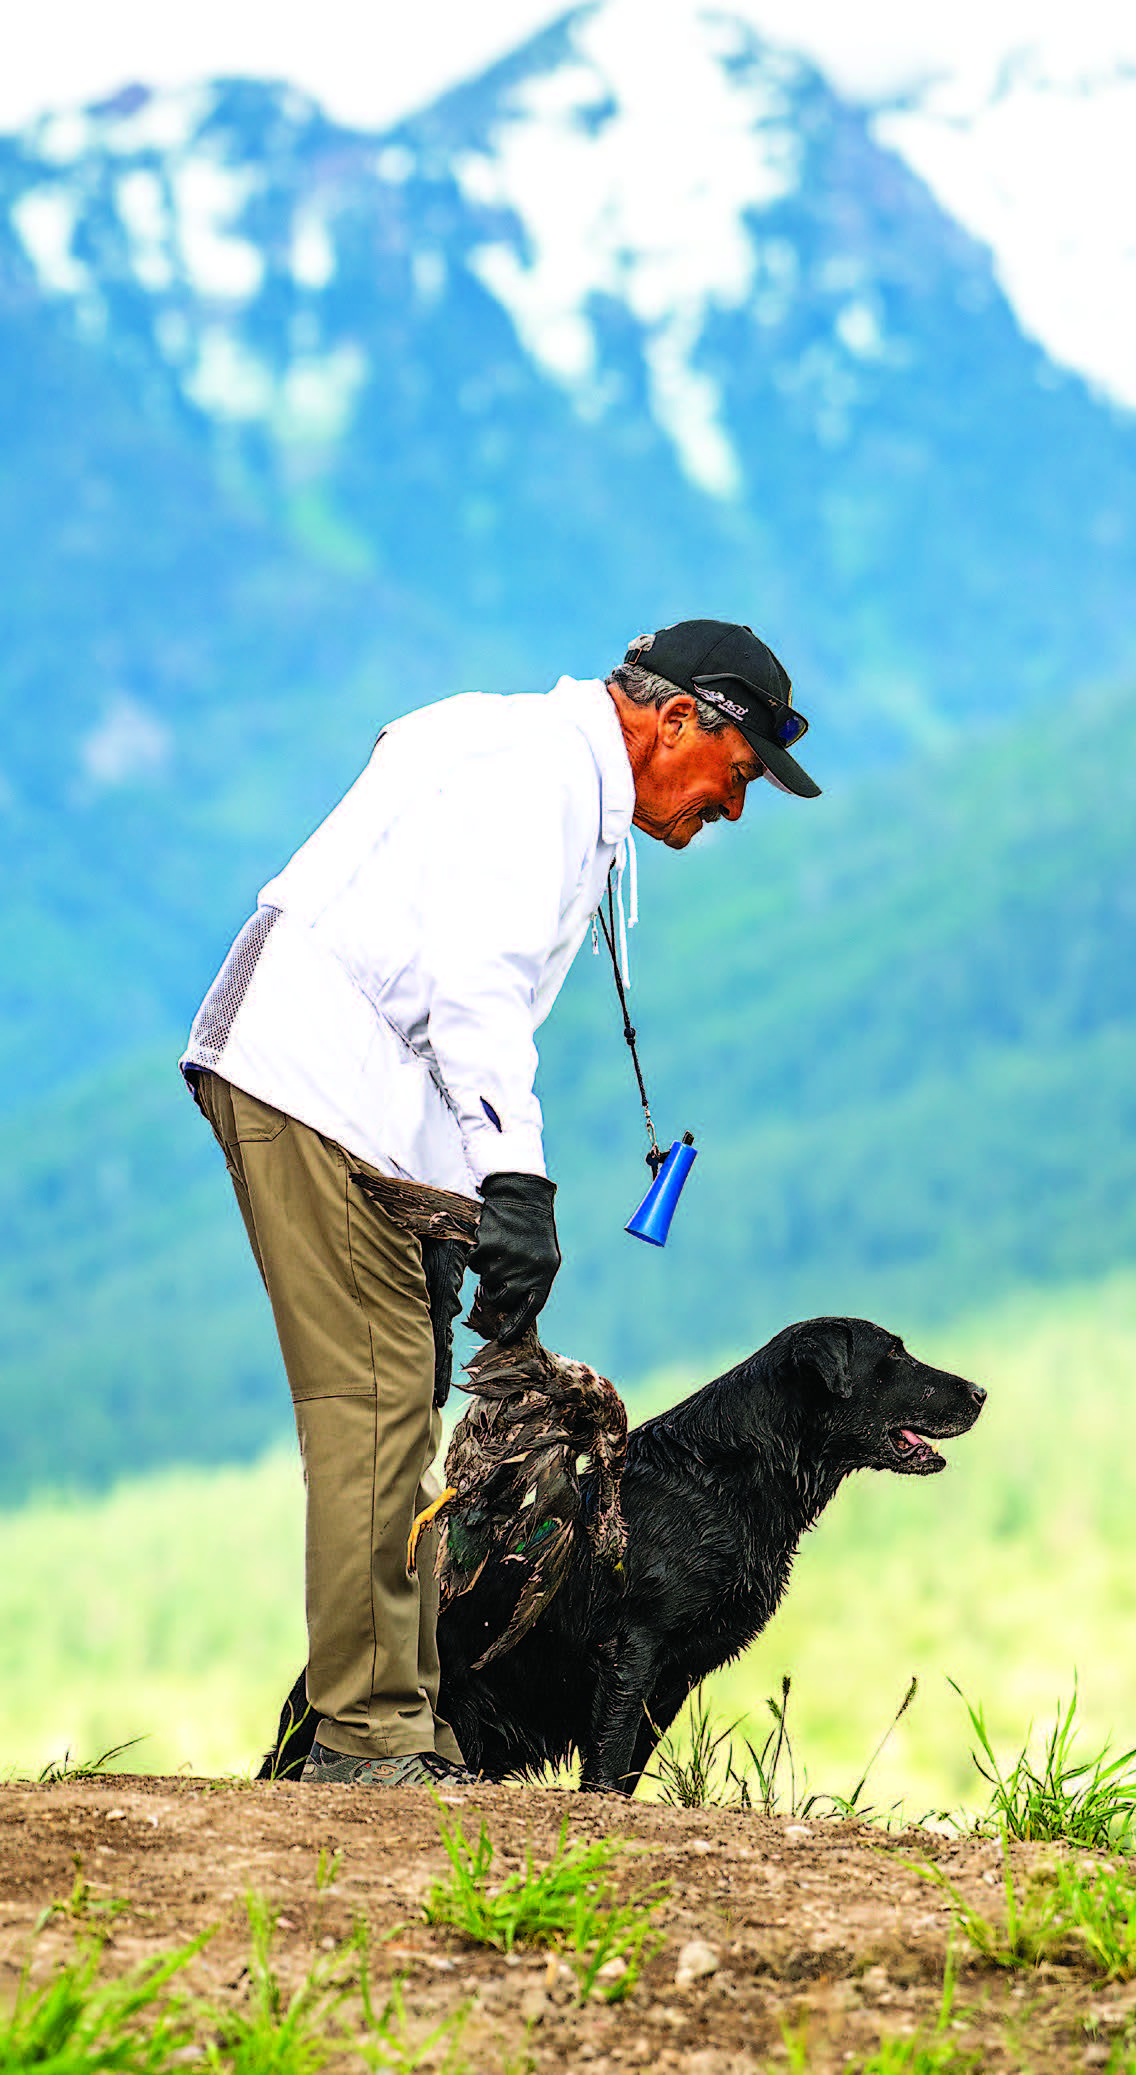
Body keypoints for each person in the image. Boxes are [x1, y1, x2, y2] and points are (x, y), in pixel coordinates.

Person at [181, 620, 819, 1785]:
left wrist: (465, 1199)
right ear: (677, 718)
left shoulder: (525, 751)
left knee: (405, 1403)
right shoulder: (538, 775)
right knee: (376, 1406)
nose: (732, 811)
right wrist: (517, 1183)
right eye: (736, 776)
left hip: (351, 1097)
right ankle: (368, 1743)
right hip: (309, 1078)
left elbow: (424, 953)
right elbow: (470, 990)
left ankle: (402, 1727)